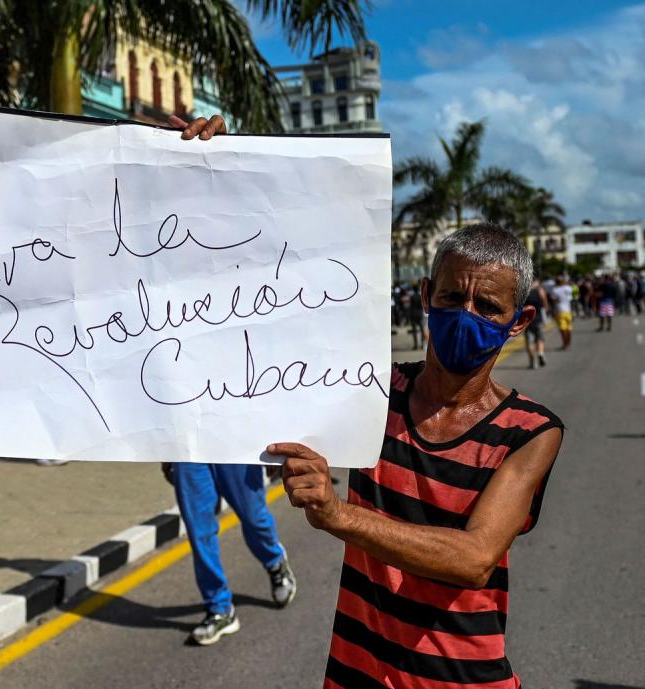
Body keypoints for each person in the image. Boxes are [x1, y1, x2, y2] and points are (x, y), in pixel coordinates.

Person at [270, 223, 563, 689]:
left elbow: (475, 559)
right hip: (356, 670)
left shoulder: (529, 431)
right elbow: (261, 375)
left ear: (520, 321)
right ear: (427, 295)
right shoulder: (372, 393)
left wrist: (338, 514)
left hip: (458, 678)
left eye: (488, 306)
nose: (466, 315)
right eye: (452, 297)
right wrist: (221, 162)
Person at [157, 114, 297, 647]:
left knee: (254, 516)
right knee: (199, 525)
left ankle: (275, 561)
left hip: (237, 424)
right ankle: (219, 606)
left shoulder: (247, 266)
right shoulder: (161, 274)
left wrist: (218, 157)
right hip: (186, 429)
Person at [523, 276, 548, 368]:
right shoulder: (540, 290)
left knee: (529, 341)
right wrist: (546, 310)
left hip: (526, 319)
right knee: (540, 338)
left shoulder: (523, 291)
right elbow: (545, 303)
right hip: (538, 317)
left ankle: (532, 362)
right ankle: (540, 353)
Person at [550, 275, 574, 350]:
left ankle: (565, 344)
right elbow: (570, 298)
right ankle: (568, 342)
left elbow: (553, 301)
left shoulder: (555, 290)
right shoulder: (568, 288)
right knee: (568, 328)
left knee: (562, 329)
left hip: (560, 311)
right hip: (568, 310)